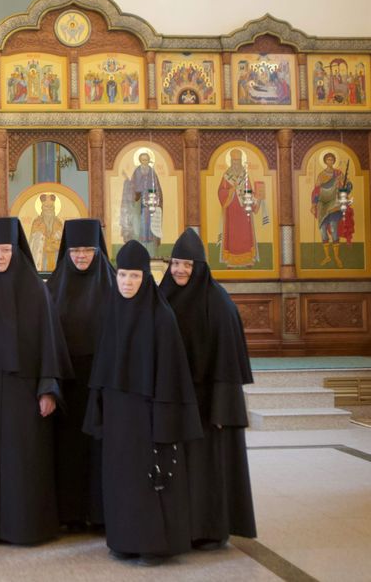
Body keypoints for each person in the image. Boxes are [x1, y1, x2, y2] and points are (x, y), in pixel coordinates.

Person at [84, 240, 202, 566]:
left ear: (145, 278)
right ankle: (123, 540)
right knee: (119, 477)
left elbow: (170, 376)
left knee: (148, 481)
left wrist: (163, 420)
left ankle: (152, 545)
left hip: (147, 415)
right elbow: (102, 367)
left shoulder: (162, 318)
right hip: (117, 413)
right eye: (122, 275)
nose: (127, 282)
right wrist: (99, 410)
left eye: (134, 276)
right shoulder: (112, 311)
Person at [0, 217, 72, 545]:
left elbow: (49, 342)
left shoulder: (35, 289)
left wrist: (48, 388)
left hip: (24, 392)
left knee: (23, 462)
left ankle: (25, 528)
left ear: (16, 250)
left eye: (5, 250)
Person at [161, 228, 257, 550]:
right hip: (174, 400)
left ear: (200, 267)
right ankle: (178, 527)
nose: (180, 270)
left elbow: (228, 363)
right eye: (175, 263)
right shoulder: (162, 296)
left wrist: (223, 410)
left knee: (206, 470)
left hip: (207, 407)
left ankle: (208, 531)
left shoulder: (219, 305)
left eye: (187, 265)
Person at [46, 219, 115, 531]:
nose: (81, 255)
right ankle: (70, 514)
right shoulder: (52, 287)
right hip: (67, 383)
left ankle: (101, 514)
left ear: (98, 250)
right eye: (75, 250)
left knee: (101, 449)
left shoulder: (115, 285)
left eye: (88, 249)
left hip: (102, 382)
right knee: (68, 450)